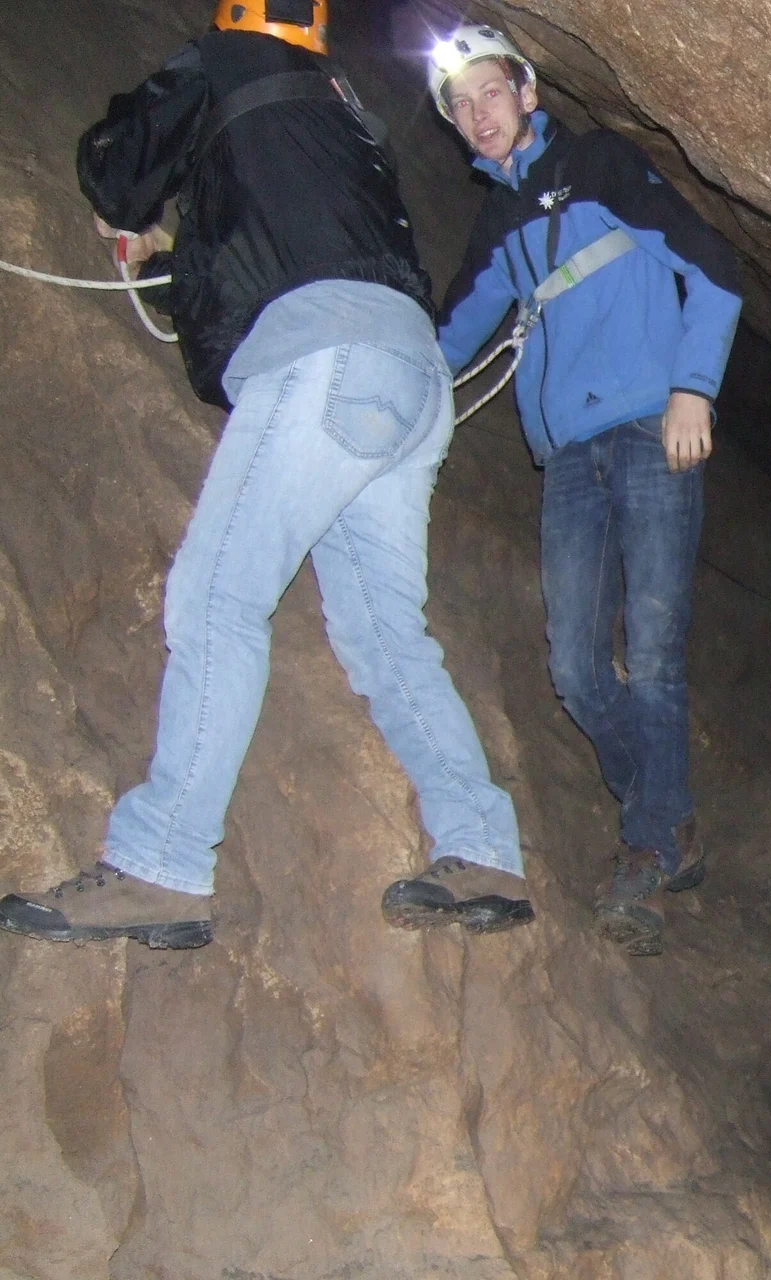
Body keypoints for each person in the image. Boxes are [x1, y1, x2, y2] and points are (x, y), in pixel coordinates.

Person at [0, 0, 530, 951]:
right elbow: (273, 252)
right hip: (409, 378)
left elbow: (121, 169)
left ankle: (161, 861)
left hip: (329, 361)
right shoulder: (341, 111)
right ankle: (483, 847)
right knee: (385, 637)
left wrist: (131, 209)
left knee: (216, 598)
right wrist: (171, 256)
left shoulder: (226, 58)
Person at [428, 25, 743, 958]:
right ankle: (668, 806)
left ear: (526, 92)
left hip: (652, 430)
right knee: (573, 666)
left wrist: (694, 387)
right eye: (460, 106)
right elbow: (450, 339)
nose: (479, 116)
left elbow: (715, 266)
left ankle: (643, 854)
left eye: (491, 93)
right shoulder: (497, 223)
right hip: (567, 455)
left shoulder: (600, 161)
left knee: (651, 654)